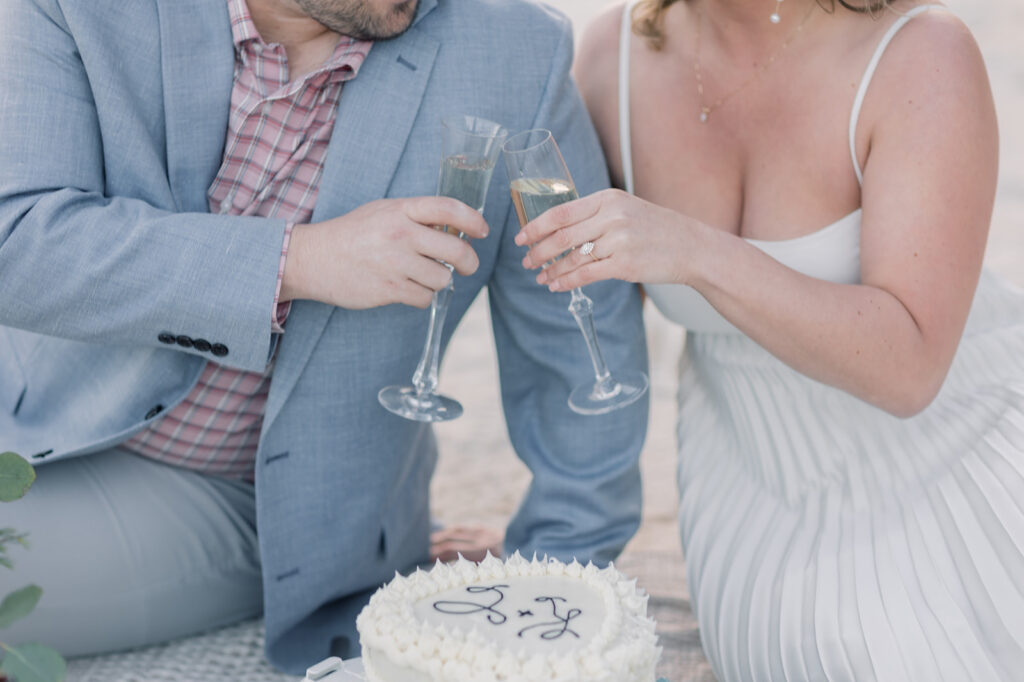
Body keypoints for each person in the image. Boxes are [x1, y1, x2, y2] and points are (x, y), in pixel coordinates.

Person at [0, 0, 649, 673]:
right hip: (30, 418)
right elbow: (17, 241)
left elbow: (579, 335)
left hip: (244, 498)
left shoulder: (516, 50)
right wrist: (300, 260)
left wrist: (551, 579)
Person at [516, 0, 1024, 678]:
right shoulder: (612, 58)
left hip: (953, 472)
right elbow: (585, 319)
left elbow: (911, 370)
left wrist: (694, 250)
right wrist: (548, 541)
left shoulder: (921, 53)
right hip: (746, 495)